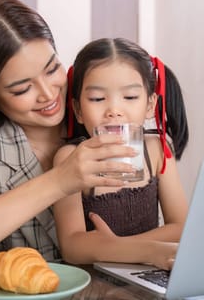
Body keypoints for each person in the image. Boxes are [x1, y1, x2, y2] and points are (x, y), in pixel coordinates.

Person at [0, 0, 139, 273]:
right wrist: (59, 181)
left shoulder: (98, 113)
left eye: (53, 69)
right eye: (22, 89)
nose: (48, 94)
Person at [53, 37, 189, 270]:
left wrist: (115, 246)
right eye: (97, 99)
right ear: (78, 110)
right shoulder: (70, 158)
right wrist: (149, 249)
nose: (114, 111)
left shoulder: (157, 150)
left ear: (149, 104)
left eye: (130, 97)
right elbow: (73, 248)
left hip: (152, 271)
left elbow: (182, 227)